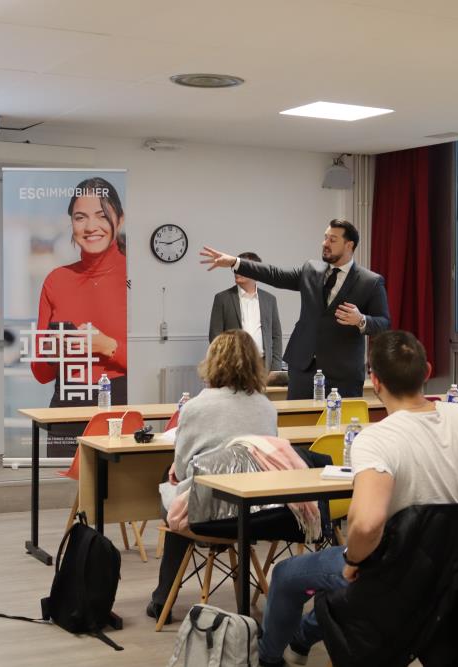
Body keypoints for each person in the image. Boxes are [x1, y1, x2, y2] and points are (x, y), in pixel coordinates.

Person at [256, 330, 458, 666]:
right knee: (342, 593)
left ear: (374, 381)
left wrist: (354, 562)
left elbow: (367, 523)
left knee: (288, 574)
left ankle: (270, 659)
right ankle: (303, 641)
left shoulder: (377, 439)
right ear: (427, 371)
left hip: (395, 571)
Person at [146, 329, 280, 621]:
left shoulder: (195, 407)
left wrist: (179, 469)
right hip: (256, 513)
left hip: (206, 514)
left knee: (177, 494)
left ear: (214, 362)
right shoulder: (267, 408)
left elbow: (181, 471)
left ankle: (162, 599)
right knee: (187, 490)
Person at [200, 220, 390, 399]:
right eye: (325, 237)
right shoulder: (311, 269)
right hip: (302, 368)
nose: (325, 243)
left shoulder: (370, 282)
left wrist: (361, 320)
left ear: (349, 245)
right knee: (299, 421)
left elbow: (383, 323)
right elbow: (275, 274)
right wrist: (235, 262)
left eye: (333, 240)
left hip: (343, 373)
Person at [31, 177, 127, 457]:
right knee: (61, 493)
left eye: (101, 215)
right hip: (67, 405)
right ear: (71, 224)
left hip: (119, 403)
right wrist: (55, 352)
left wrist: (106, 346)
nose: (90, 226)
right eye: (80, 217)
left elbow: (150, 357)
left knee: (118, 494)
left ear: (119, 220)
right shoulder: (56, 280)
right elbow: (39, 372)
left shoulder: (135, 277)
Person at [208, 251, 283, 372]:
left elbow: (276, 336)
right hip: (232, 366)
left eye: (242, 267)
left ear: (256, 272)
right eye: (235, 267)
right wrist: (223, 367)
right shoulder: (222, 298)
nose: (237, 271)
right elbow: (215, 337)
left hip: (263, 366)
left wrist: (275, 369)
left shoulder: (270, 300)